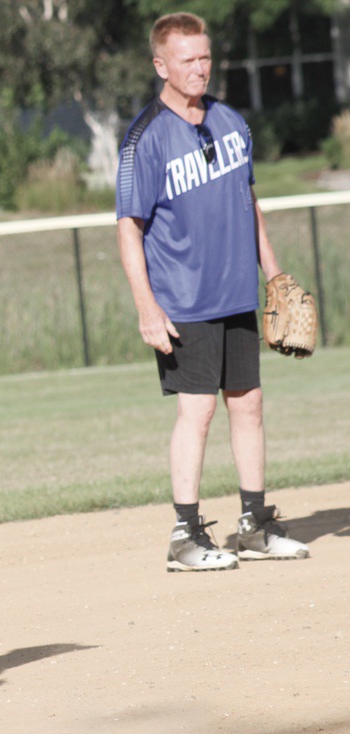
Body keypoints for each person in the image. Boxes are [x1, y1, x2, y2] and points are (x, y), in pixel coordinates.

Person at [115, 12, 310, 573]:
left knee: (248, 404)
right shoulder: (144, 138)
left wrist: (273, 276)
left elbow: (248, 204)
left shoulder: (229, 121)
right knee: (196, 412)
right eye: (186, 60)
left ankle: (253, 525)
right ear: (161, 65)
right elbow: (129, 228)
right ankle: (184, 536)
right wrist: (146, 306)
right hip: (183, 299)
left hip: (235, 295)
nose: (199, 68)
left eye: (204, 57)